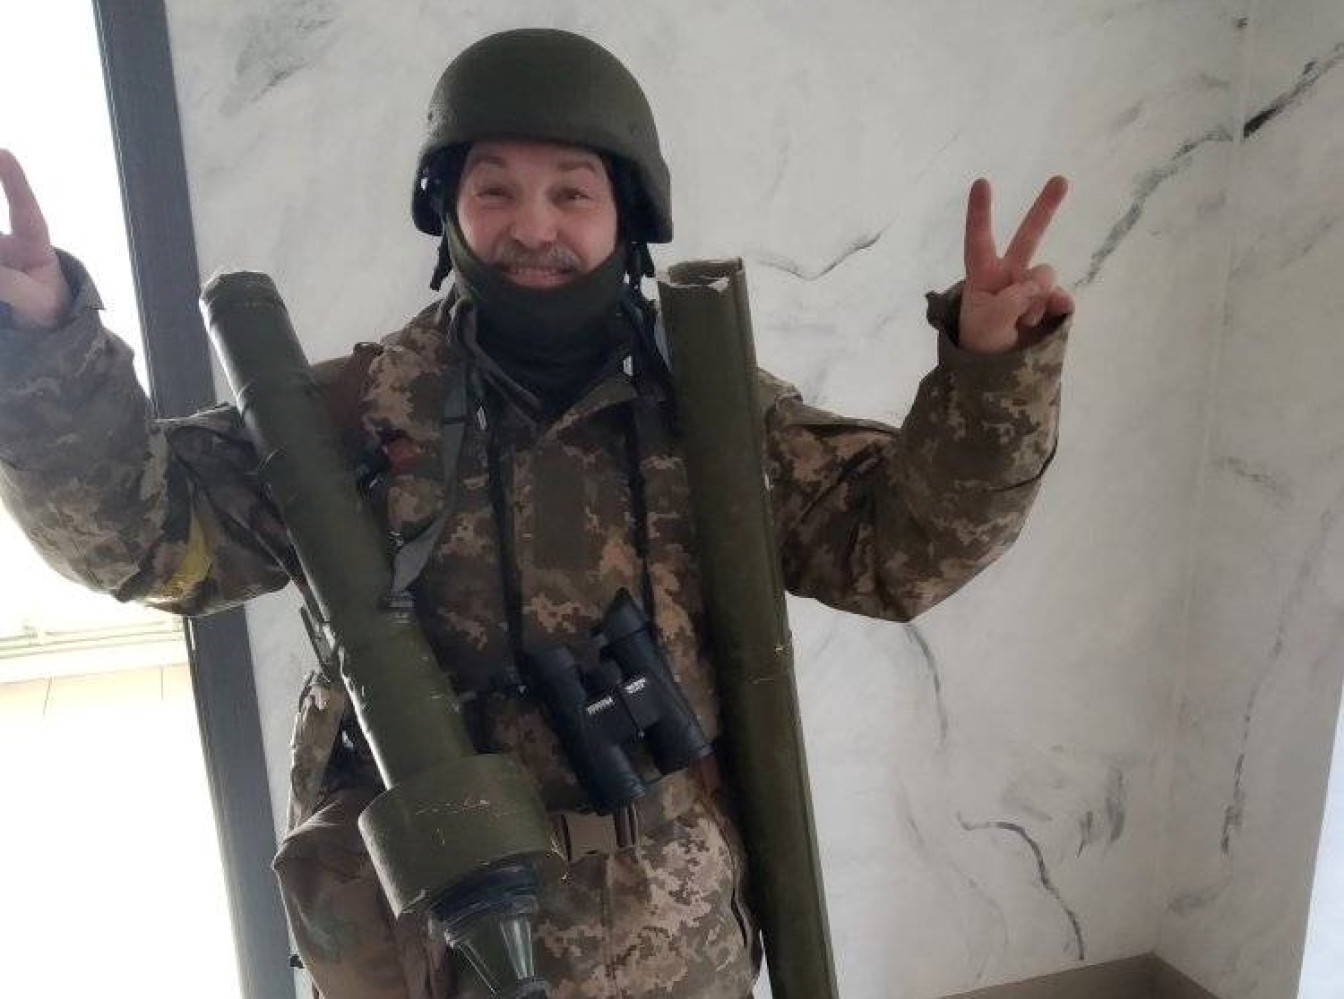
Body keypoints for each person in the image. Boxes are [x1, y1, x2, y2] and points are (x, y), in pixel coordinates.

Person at [0, 27, 1072, 999]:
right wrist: (47, 343)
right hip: (430, 947)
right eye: (495, 190)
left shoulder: (710, 409)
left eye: (572, 193)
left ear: (626, 216)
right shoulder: (352, 415)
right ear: (449, 210)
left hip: (673, 947)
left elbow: (896, 552)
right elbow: (148, 540)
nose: (533, 227)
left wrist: (993, 373)